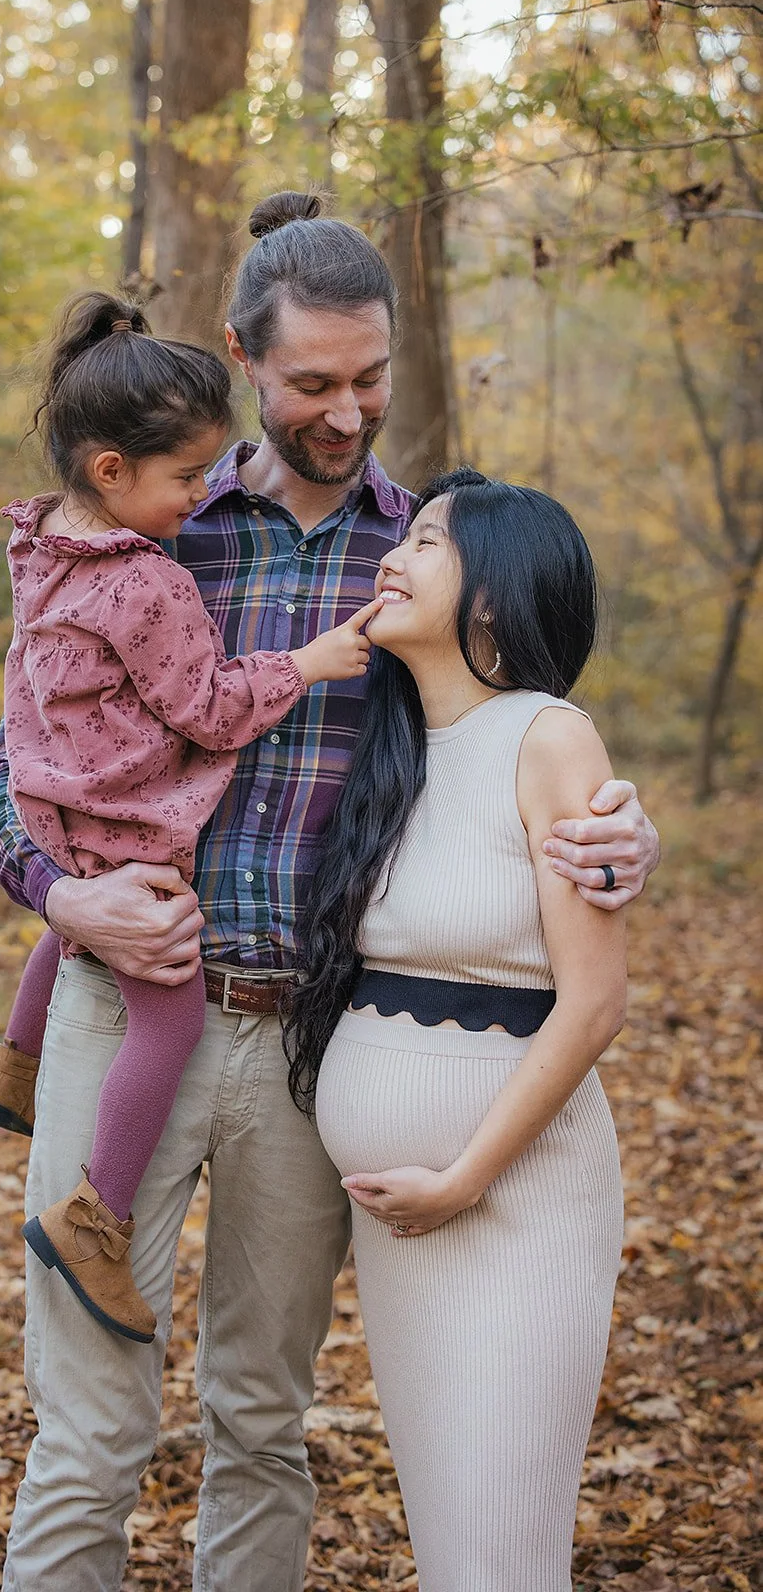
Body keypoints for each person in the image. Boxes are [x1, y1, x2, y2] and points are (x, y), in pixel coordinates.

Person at [0, 191, 660, 1592]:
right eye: (308, 385)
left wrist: (612, 832)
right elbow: (13, 763)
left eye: (369, 380)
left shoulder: (429, 556)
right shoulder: (148, 522)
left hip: (312, 1042)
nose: (346, 414)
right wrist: (60, 897)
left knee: (259, 1418)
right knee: (90, 1430)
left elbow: (506, 745)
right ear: (242, 359)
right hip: (130, 1010)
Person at [0, 289, 377, 1344]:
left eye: (367, 380)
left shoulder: (41, 537)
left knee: (70, 924)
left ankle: (9, 1064)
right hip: (124, 823)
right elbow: (205, 705)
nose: (197, 497)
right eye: (186, 476)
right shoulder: (150, 573)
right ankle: (93, 1217)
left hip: (62, 802)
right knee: (170, 1010)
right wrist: (311, 659)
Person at [286, 467, 625, 1590]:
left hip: (509, 1197)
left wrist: (465, 1175)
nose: (393, 553)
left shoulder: (547, 737)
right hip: (404, 1219)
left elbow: (592, 1001)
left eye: (426, 541)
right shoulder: (395, 752)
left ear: (492, 595)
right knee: (449, 1537)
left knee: (498, 1552)